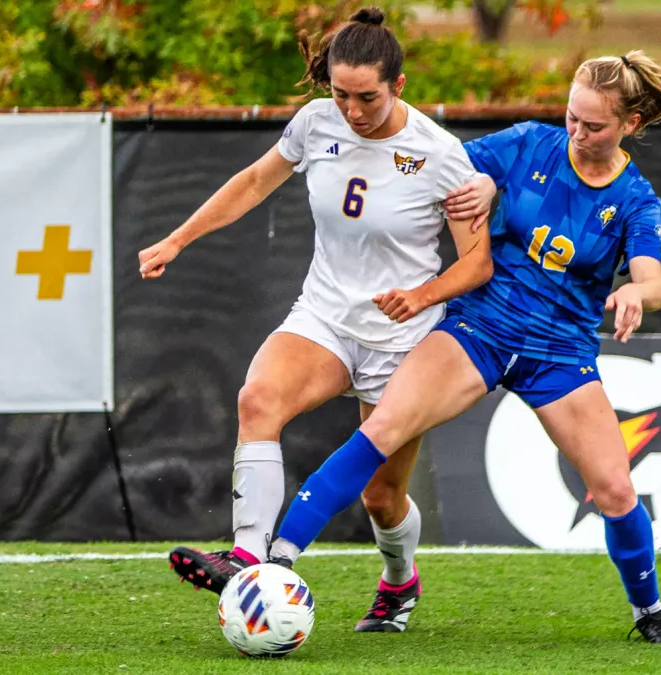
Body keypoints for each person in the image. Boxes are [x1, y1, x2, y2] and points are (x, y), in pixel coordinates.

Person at [264, 50, 661, 644]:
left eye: (594, 125)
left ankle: (650, 612)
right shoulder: (527, 144)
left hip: (559, 353)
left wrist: (637, 295)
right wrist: (482, 182)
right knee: (380, 434)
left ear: (629, 126)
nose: (577, 132)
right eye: (571, 116)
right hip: (478, 329)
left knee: (615, 490)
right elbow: (446, 169)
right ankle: (276, 560)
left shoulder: (636, 198)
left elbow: (654, 280)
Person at [137, 6, 495, 632]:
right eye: (340, 94)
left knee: (382, 499)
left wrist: (422, 294)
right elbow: (252, 183)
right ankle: (247, 559)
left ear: (399, 86)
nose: (352, 111)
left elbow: (478, 265)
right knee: (258, 399)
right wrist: (177, 239)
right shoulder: (315, 123)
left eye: (367, 97)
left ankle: (398, 582)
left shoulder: (440, 155)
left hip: (403, 342)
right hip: (325, 317)